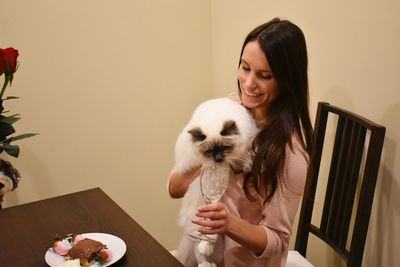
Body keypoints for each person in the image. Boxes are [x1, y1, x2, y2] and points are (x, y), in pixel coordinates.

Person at [168, 17, 313, 266]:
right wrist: (200, 156)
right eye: (245, 68)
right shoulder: (231, 110)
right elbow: (175, 188)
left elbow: (277, 240)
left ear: (287, 81)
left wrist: (229, 224)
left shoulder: (291, 156)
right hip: (205, 254)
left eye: (264, 75)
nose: (248, 84)